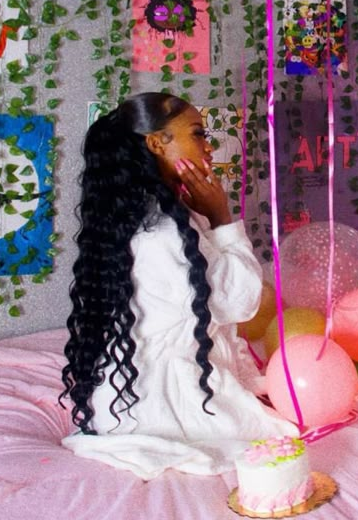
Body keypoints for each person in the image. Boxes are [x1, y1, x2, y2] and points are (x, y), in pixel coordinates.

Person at [60, 92, 295, 479]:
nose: (208, 144)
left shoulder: (149, 212)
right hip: (158, 400)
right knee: (268, 435)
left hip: (126, 388)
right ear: (156, 144)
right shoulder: (163, 232)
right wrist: (222, 217)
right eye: (198, 133)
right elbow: (241, 301)